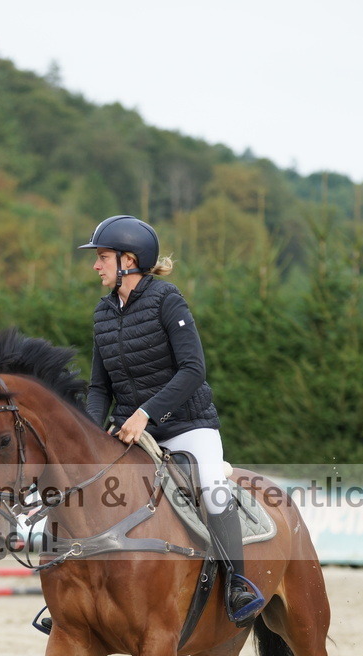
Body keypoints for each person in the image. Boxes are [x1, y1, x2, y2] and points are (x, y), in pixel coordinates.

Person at [77, 214, 263, 627]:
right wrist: (91, 435)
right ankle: (78, 590)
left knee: (213, 487)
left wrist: (145, 414)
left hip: (188, 426)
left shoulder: (167, 300)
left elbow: (192, 369)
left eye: (103, 257)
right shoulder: (104, 313)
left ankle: (237, 584)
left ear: (129, 259)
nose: (96, 266)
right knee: (90, 487)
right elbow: (98, 388)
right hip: (131, 430)